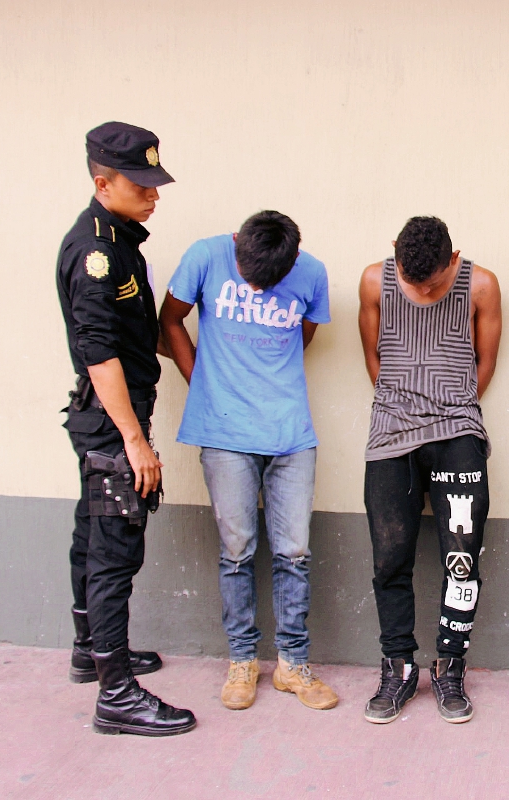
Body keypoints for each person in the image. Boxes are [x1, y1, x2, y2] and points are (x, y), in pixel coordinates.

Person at [159, 210, 337, 713]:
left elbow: (300, 337)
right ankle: (241, 659)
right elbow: (169, 321)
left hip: (290, 432)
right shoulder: (204, 255)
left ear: (294, 260)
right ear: (237, 242)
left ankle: (292, 664)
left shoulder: (312, 273)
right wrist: (203, 383)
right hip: (224, 432)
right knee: (236, 550)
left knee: (294, 552)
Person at [56, 121, 195, 736]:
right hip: (114, 420)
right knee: (115, 548)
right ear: (102, 182)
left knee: (93, 533)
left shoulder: (119, 239)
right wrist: (134, 442)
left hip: (105, 416)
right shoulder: (97, 253)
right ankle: (117, 693)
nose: (154, 194)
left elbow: (133, 339)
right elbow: (99, 352)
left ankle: (93, 651)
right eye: (141, 184)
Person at [357, 216, 502, 724]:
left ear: (455, 261)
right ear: (394, 251)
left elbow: (485, 361)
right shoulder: (375, 280)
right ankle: (397, 667)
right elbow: (375, 357)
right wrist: (404, 406)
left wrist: (448, 409)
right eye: (411, 278)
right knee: (389, 557)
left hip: (457, 433)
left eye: (434, 283)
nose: (421, 289)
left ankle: (449, 664)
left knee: (461, 557)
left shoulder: (480, 284)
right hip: (390, 435)